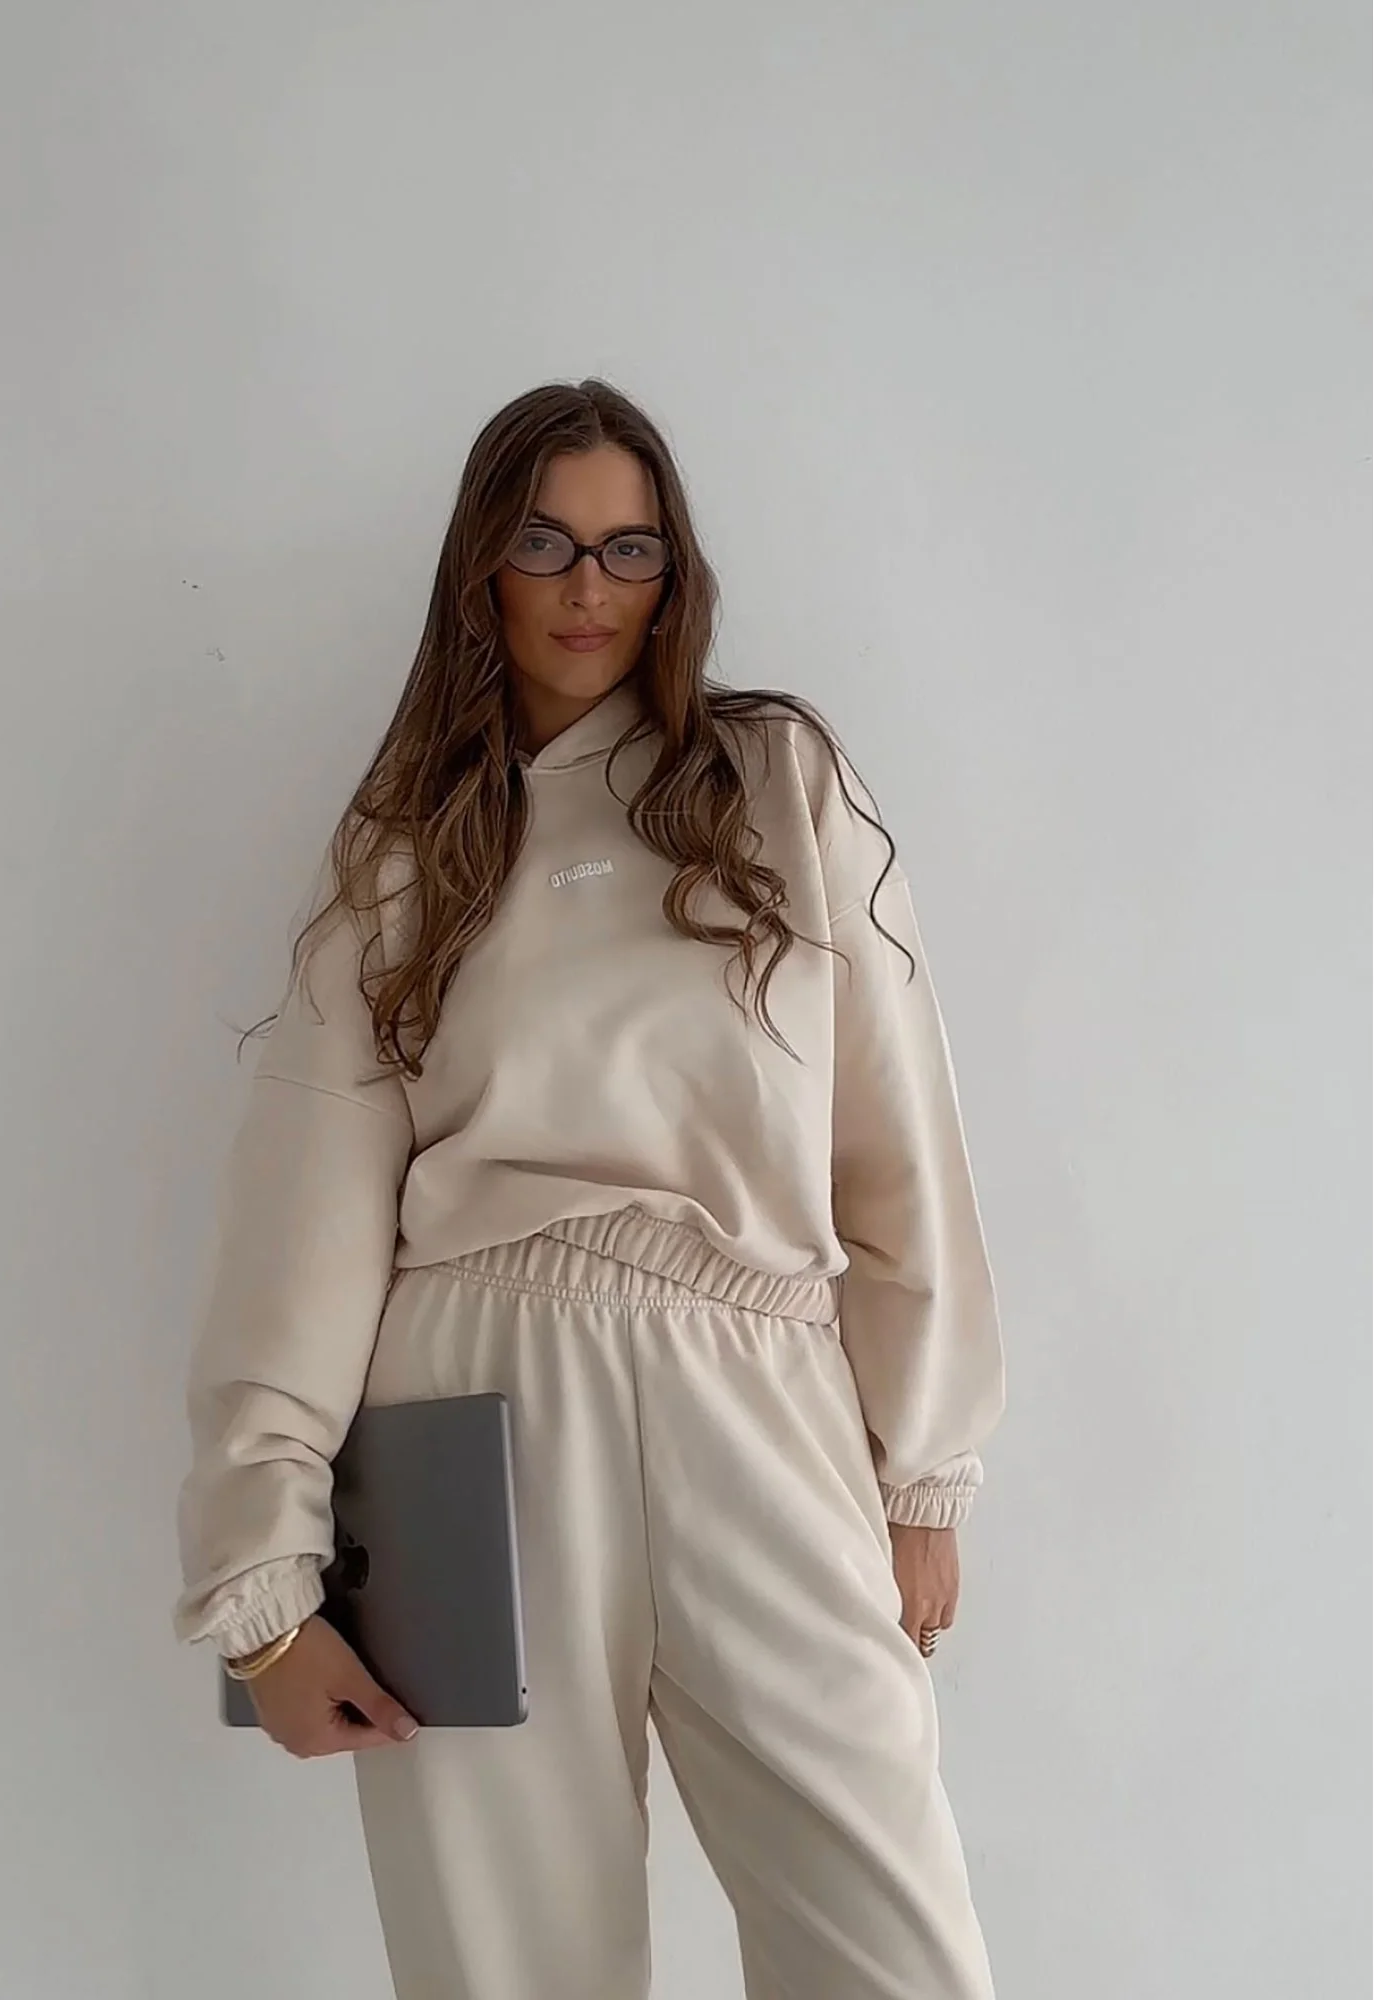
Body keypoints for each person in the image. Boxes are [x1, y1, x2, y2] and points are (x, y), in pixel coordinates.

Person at [173, 377, 1006, 2000]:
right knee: (506, 1965)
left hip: (755, 1381)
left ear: (673, 572)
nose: (586, 587)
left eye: (630, 549)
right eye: (544, 541)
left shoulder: (774, 786)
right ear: (482, 561)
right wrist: (262, 1582)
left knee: (893, 1949)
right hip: (469, 1395)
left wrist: (923, 1470)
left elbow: (895, 1137)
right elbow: (302, 1218)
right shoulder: (408, 841)